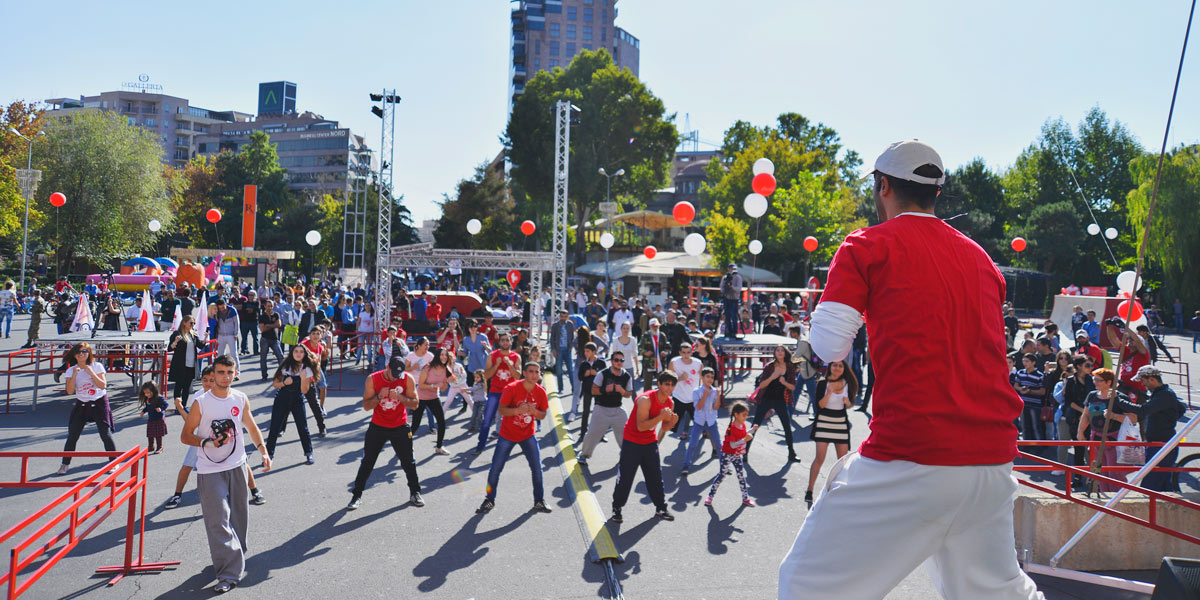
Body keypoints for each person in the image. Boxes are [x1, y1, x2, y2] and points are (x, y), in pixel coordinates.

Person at [780, 140, 1041, 599]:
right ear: (935, 194)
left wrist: (807, 333)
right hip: (992, 461)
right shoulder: (983, 260)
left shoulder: (866, 245)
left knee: (807, 585)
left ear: (883, 187)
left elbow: (828, 346)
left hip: (913, 455)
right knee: (997, 594)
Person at [178, 355, 270, 593]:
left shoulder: (240, 398)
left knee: (239, 518)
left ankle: (235, 556)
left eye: (229, 372)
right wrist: (208, 442)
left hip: (237, 466)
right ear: (214, 374)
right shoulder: (202, 402)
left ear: (235, 372)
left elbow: (250, 425)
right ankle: (228, 574)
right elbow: (186, 435)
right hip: (210, 470)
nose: (225, 377)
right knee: (218, 520)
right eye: (220, 372)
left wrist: (263, 450)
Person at [166, 366, 266, 509]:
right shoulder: (199, 397)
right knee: (187, 465)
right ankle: (177, 494)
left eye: (211, 380)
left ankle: (255, 490)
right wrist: (181, 409)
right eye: (204, 380)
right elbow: (190, 425)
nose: (207, 383)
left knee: (242, 462)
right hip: (202, 440)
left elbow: (248, 425)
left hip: (224, 439)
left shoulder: (229, 395)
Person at [348, 354, 424, 510]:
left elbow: (415, 404)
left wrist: (400, 397)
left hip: (400, 426)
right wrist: (379, 396)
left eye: (399, 374)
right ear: (387, 367)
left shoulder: (407, 378)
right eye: (393, 374)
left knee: (408, 462)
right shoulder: (373, 379)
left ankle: (415, 492)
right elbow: (366, 406)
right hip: (378, 426)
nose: (396, 378)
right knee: (368, 462)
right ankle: (356, 495)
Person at [475, 362, 553, 515]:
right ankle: (489, 499)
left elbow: (543, 415)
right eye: (531, 371)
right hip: (507, 434)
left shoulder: (541, 392)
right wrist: (518, 410)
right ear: (524, 373)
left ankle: (539, 500)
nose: (534, 374)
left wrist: (535, 412)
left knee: (537, 468)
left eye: (537, 372)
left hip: (528, 435)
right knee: (496, 468)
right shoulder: (511, 388)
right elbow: (502, 410)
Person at [610, 370, 679, 523]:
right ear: (659, 384)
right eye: (666, 384)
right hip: (632, 441)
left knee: (655, 477)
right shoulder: (645, 400)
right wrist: (661, 416)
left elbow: (665, 428)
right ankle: (617, 508)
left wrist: (672, 422)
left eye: (672, 385)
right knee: (626, 478)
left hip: (649, 442)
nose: (669, 388)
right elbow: (641, 426)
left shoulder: (670, 403)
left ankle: (661, 508)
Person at [1114, 365, 1186, 492]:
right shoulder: (1162, 394)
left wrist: (1118, 401)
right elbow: (1180, 409)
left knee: (1149, 486)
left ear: (1152, 379)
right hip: (1159, 443)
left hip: (1162, 444)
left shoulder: (1164, 395)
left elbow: (1143, 410)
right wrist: (1167, 419)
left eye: (1143, 381)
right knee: (1162, 483)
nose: (1143, 385)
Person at [54, 343, 117, 475]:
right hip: (82, 403)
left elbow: (102, 385)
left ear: (89, 353)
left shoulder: (97, 366)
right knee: (72, 435)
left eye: (84, 351)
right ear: (74, 355)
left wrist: (91, 373)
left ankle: (113, 461)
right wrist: (74, 376)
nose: (81, 354)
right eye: (78, 352)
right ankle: (65, 464)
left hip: (99, 402)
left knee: (105, 434)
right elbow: (70, 391)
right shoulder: (71, 370)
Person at [804, 359, 858, 508]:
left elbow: (850, 403)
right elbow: (819, 405)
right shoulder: (822, 383)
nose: (837, 368)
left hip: (840, 423)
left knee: (843, 460)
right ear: (830, 367)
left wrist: (847, 403)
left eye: (840, 366)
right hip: (823, 422)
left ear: (843, 368)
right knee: (819, 458)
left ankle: (841, 490)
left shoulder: (848, 383)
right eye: (835, 365)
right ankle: (809, 489)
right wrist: (829, 393)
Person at [1078, 368, 1129, 493]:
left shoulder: (1120, 398)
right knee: (1100, 472)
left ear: (1109, 382)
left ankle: (1117, 498)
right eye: (1095, 379)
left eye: (1099, 380)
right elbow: (1086, 415)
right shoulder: (1092, 395)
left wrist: (1114, 416)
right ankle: (1105, 496)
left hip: (1114, 440)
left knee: (1114, 473)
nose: (1095, 382)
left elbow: (1132, 419)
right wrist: (1080, 432)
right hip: (1096, 438)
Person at [578, 350, 634, 466]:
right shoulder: (602, 374)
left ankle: (625, 455)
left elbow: (628, 394)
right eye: (616, 360)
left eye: (621, 360)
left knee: (627, 433)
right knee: (592, 433)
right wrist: (604, 390)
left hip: (618, 408)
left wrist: (622, 391)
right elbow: (593, 390)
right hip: (601, 408)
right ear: (612, 361)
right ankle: (584, 455)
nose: (619, 362)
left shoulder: (626, 376)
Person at [746, 345, 800, 463]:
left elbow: (793, 387)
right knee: (755, 425)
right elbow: (761, 385)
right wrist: (772, 377)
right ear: (775, 353)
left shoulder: (790, 367)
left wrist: (784, 382)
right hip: (766, 399)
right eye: (777, 350)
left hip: (780, 400)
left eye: (782, 350)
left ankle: (792, 453)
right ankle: (745, 453)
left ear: (785, 353)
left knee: (787, 427)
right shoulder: (769, 366)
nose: (780, 352)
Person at [264, 345, 317, 466]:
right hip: (282, 399)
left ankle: (309, 454)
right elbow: (275, 384)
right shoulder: (285, 366)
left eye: (301, 352)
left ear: (304, 354)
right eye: (296, 351)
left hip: (297, 400)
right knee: (274, 427)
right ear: (292, 353)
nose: (298, 354)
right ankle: (269, 455)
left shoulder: (307, 369)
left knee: (302, 427)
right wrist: (284, 382)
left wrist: (303, 379)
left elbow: (304, 391)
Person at [472, 332, 522, 455]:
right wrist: (497, 364)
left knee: (513, 421)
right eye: (503, 340)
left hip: (510, 393)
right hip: (495, 391)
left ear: (511, 342)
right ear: (499, 342)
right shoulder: (492, 355)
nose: (505, 342)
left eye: (507, 340)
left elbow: (518, 376)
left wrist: (510, 365)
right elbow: (487, 375)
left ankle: (519, 445)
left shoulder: (516, 357)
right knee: (487, 420)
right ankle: (480, 445)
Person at [703, 401, 755, 507]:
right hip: (727, 454)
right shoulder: (731, 428)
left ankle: (745, 498)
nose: (746, 417)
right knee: (722, 475)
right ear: (736, 415)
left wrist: (752, 430)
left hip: (736, 455)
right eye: (743, 415)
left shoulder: (743, 425)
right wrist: (745, 439)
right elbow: (732, 445)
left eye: (746, 415)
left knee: (741, 476)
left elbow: (743, 434)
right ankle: (710, 496)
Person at [412, 347, 453, 455]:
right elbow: (420, 385)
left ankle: (439, 447)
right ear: (437, 356)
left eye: (446, 355)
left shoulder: (446, 369)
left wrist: (445, 384)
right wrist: (434, 386)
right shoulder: (428, 368)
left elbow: (443, 389)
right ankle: (404, 445)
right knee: (415, 425)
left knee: (441, 423)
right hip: (421, 397)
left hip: (434, 398)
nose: (444, 357)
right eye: (442, 355)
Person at [681, 367, 721, 474]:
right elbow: (698, 407)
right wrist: (705, 395)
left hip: (712, 421)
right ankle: (686, 465)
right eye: (707, 376)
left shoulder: (714, 391)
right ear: (702, 377)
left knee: (718, 444)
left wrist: (718, 396)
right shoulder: (697, 391)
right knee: (693, 443)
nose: (710, 379)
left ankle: (724, 465)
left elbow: (716, 407)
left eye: (712, 377)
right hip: (699, 421)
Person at [668, 343, 700, 440]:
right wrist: (680, 378)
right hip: (679, 397)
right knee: (670, 426)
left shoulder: (698, 363)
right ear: (680, 353)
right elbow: (668, 380)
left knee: (700, 423)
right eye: (684, 352)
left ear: (692, 352)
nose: (686, 355)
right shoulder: (674, 362)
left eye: (688, 352)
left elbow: (702, 379)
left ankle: (711, 443)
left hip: (693, 398)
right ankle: (656, 445)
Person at [575, 342, 605, 438]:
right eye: (585, 351)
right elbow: (580, 377)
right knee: (585, 411)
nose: (585, 353)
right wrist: (585, 374)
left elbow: (606, 377)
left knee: (599, 412)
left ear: (594, 352)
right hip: (587, 390)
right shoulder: (584, 364)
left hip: (598, 391)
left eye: (587, 351)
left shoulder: (601, 363)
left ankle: (601, 434)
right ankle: (583, 432)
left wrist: (596, 373)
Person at [550, 309, 576, 396]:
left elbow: (572, 336)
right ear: (559, 316)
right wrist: (553, 350)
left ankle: (574, 388)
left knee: (570, 370)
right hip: (558, 350)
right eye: (562, 316)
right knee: (559, 371)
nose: (563, 318)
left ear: (567, 316)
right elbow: (552, 339)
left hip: (568, 350)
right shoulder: (555, 326)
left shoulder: (570, 324)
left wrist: (571, 346)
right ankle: (560, 388)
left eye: (565, 317)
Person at [138, 382, 169, 454]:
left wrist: (161, 409)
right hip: (151, 418)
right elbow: (148, 406)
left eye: (148, 392)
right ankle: (151, 446)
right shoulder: (148, 399)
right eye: (145, 393)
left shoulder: (159, 397)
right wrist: (143, 411)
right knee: (150, 434)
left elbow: (166, 404)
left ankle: (160, 447)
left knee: (158, 434)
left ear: (153, 391)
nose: (146, 394)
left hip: (159, 418)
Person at [639, 318, 669, 391]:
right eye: (654, 326)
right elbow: (639, 348)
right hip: (648, 363)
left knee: (661, 385)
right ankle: (646, 401)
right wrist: (645, 352)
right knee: (647, 386)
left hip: (660, 364)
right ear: (650, 326)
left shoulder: (662, 335)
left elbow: (668, 348)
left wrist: (665, 352)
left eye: (657, 326)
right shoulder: (645, 336)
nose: (655, 328)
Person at [257, 299, 284, 380]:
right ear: (265, 306)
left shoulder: (276, 314)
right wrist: (273, 325)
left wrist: (268, 325)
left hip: (275, 339)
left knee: (281, 357)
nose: (270, 307)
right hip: (265, 339)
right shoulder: (262, 316)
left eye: (271, 306)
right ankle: (264, 375)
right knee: (263, 358)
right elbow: (262, 329)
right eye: (268, 306)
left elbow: (279, 324)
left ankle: (282, 374)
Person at [213, 298, 241, 375]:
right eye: (220, 308)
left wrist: (236, 334)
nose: (222, 309)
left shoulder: (232, 310)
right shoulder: (217, 311)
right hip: (220, 335)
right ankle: (220, 371)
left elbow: (237, 322)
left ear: (225, 304)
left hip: (231, 335)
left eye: (223, 307)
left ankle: (237, 371)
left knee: (234, 354)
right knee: (220, 355)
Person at [610, 322, 639, 392]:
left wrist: (637, 369)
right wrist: (612, 368)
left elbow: (635, 355)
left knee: (632, 389)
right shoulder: (616, 340)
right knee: (616, 389)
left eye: (627, 328)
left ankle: (636, 403)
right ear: (621, 329)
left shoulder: (632, 340)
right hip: (618, 368)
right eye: (624, 328)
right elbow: (613, 356)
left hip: (629, 367)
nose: (626, 330)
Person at [720, 263, 744, 338]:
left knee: (734, 316)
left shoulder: (738, 277)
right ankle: (728, 331)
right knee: (727, 316)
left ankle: (734, 332)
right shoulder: (725, 277)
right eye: (730, 268)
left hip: (734, 299)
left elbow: (739, 289)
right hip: (727, 298)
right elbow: (721, 287)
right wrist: (725, 290)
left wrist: (732, 287)